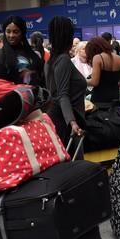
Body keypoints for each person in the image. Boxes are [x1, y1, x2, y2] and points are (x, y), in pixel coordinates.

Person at [44, 16, 87, 155]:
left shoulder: (50, 61)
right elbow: (63, 94)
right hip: (66, 122)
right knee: (75, 167)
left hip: (57, 118)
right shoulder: (63, 60)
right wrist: (72, 122)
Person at [0, 16, 44, 87]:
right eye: (8, 31)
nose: (11, 35)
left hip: (34, 95)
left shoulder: (31, 54)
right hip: (11, 96)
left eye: (15, 32)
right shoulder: (1, 56)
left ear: (22, 32)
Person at [85, 36, 120, 103]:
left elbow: (94, 82)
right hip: (115, 98)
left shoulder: (98, 58)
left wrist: (81, 80)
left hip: (100, 99)